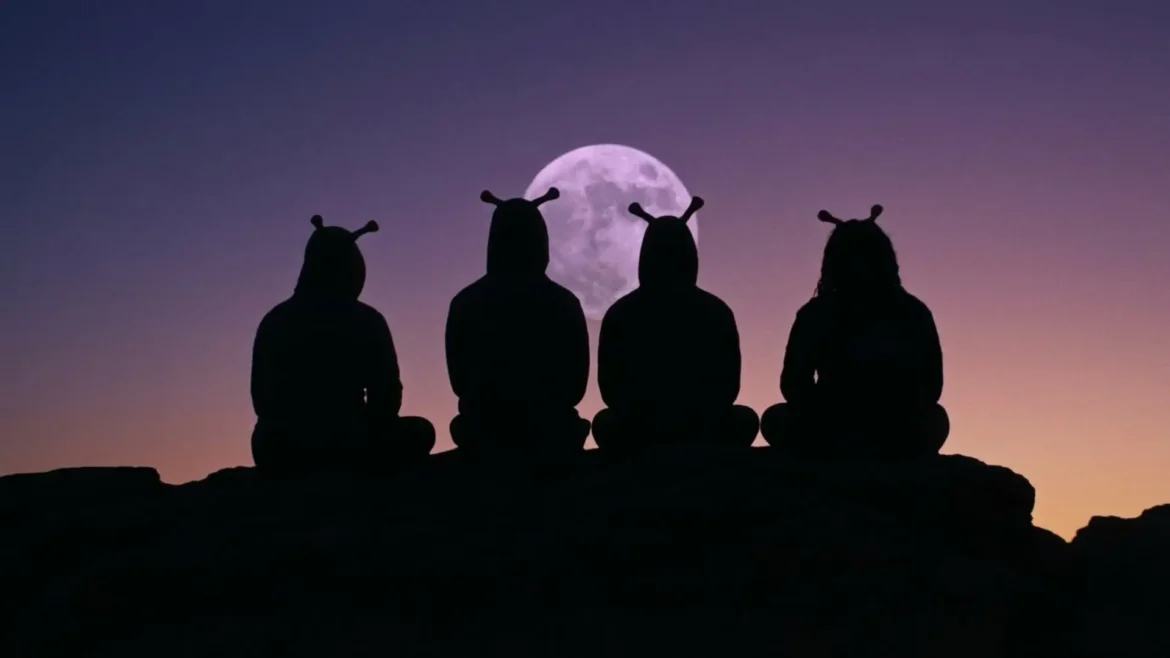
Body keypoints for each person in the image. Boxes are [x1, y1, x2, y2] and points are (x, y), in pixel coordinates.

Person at [759, 204, 949, 458]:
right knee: (775, 418)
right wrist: (832, 406)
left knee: (935, 418)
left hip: (890, 422)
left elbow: (931, 386)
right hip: (835, 421)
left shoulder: (912, 312)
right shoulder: (816, 314)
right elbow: (793, 384)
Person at [250, 215, 435, 473]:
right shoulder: (368, 320)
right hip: (351, 440)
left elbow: (262, 398)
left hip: (281, 445)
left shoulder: (274, 319)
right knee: (420, 431)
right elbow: (386, 395)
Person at [591, 197, 759, 452]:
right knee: (743, 419)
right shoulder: (715, 310)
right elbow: (728, 385)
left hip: (640, 427)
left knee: (606, 423)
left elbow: (611, 387)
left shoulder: (622, 312)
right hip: (702, 425)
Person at [445, 188, 591, 456]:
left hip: (483, 430)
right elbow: (575, 386)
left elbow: (459, 382)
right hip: (552, 429)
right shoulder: (563, 302)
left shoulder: (465, 302)